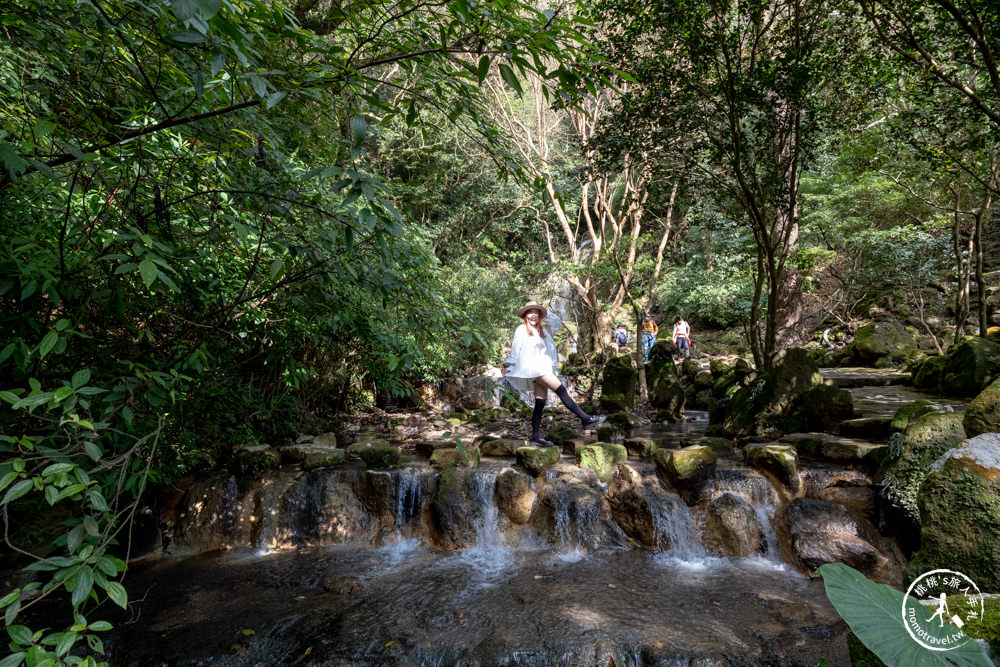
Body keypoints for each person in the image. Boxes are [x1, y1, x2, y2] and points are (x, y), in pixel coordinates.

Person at [503, 301, 606, 446]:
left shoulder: (545, 330)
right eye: (530, 312)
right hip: (534, 368)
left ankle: (535, 437)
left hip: (542, 368)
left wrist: (543, 308)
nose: (533, 315)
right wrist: (509, 365)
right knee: (561, 390)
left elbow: (557, 321)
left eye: (536, 312)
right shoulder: (521, 329)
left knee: (540, 403)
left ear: (540, 316)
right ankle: (585, 419)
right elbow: (516, 348)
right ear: (525, 315)